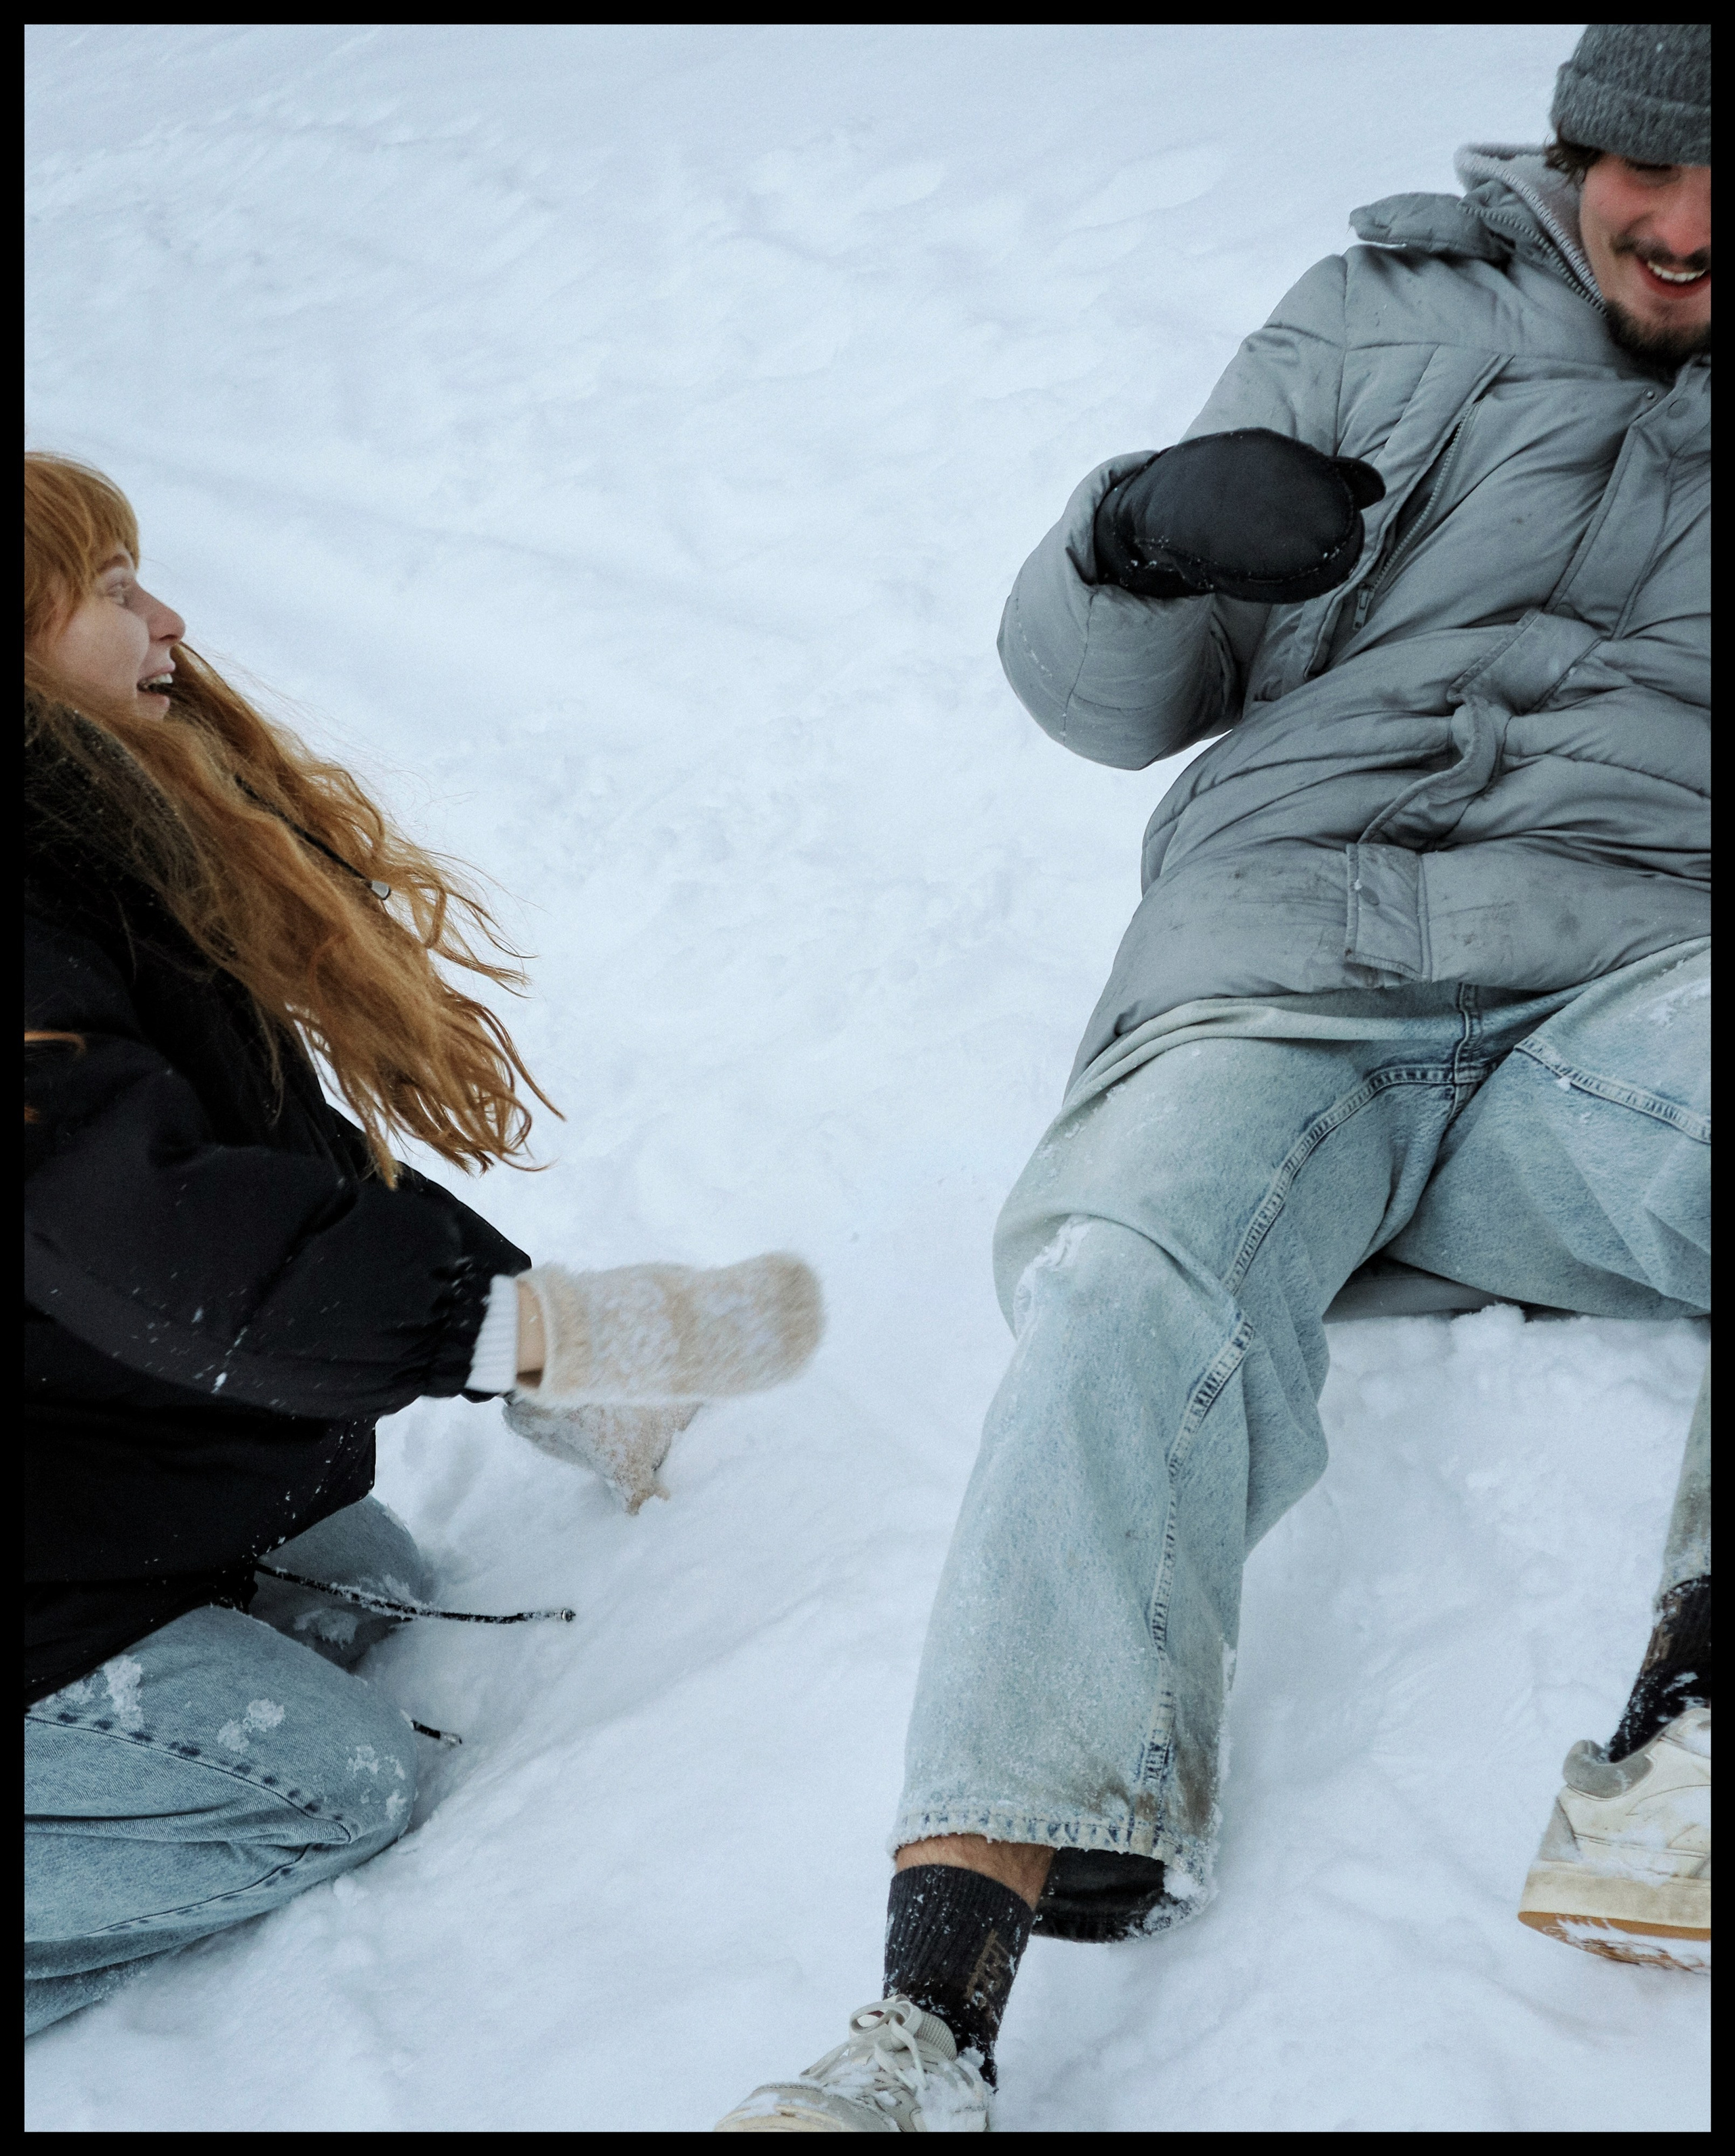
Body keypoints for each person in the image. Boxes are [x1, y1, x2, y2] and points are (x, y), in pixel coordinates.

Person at [715, 23, 1709, 2132]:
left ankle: (1695, 1731)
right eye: (1650, 167)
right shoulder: (1383, 304)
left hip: (1625, 976)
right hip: (1281, 959)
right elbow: (1111, 706)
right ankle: (929, 2020)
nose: (1688, 225)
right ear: (1577, 148)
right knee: (1124, 1270)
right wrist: (1134, 540)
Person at [24, 453, 823, 2037]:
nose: (168, 619)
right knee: (323, 1784)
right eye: (113, 591)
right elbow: (166, 1244)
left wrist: (525, 1327)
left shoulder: (87, 856)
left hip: (80, 1492)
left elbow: (269, 1166)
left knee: (368, 1587)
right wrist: (523, 1335)